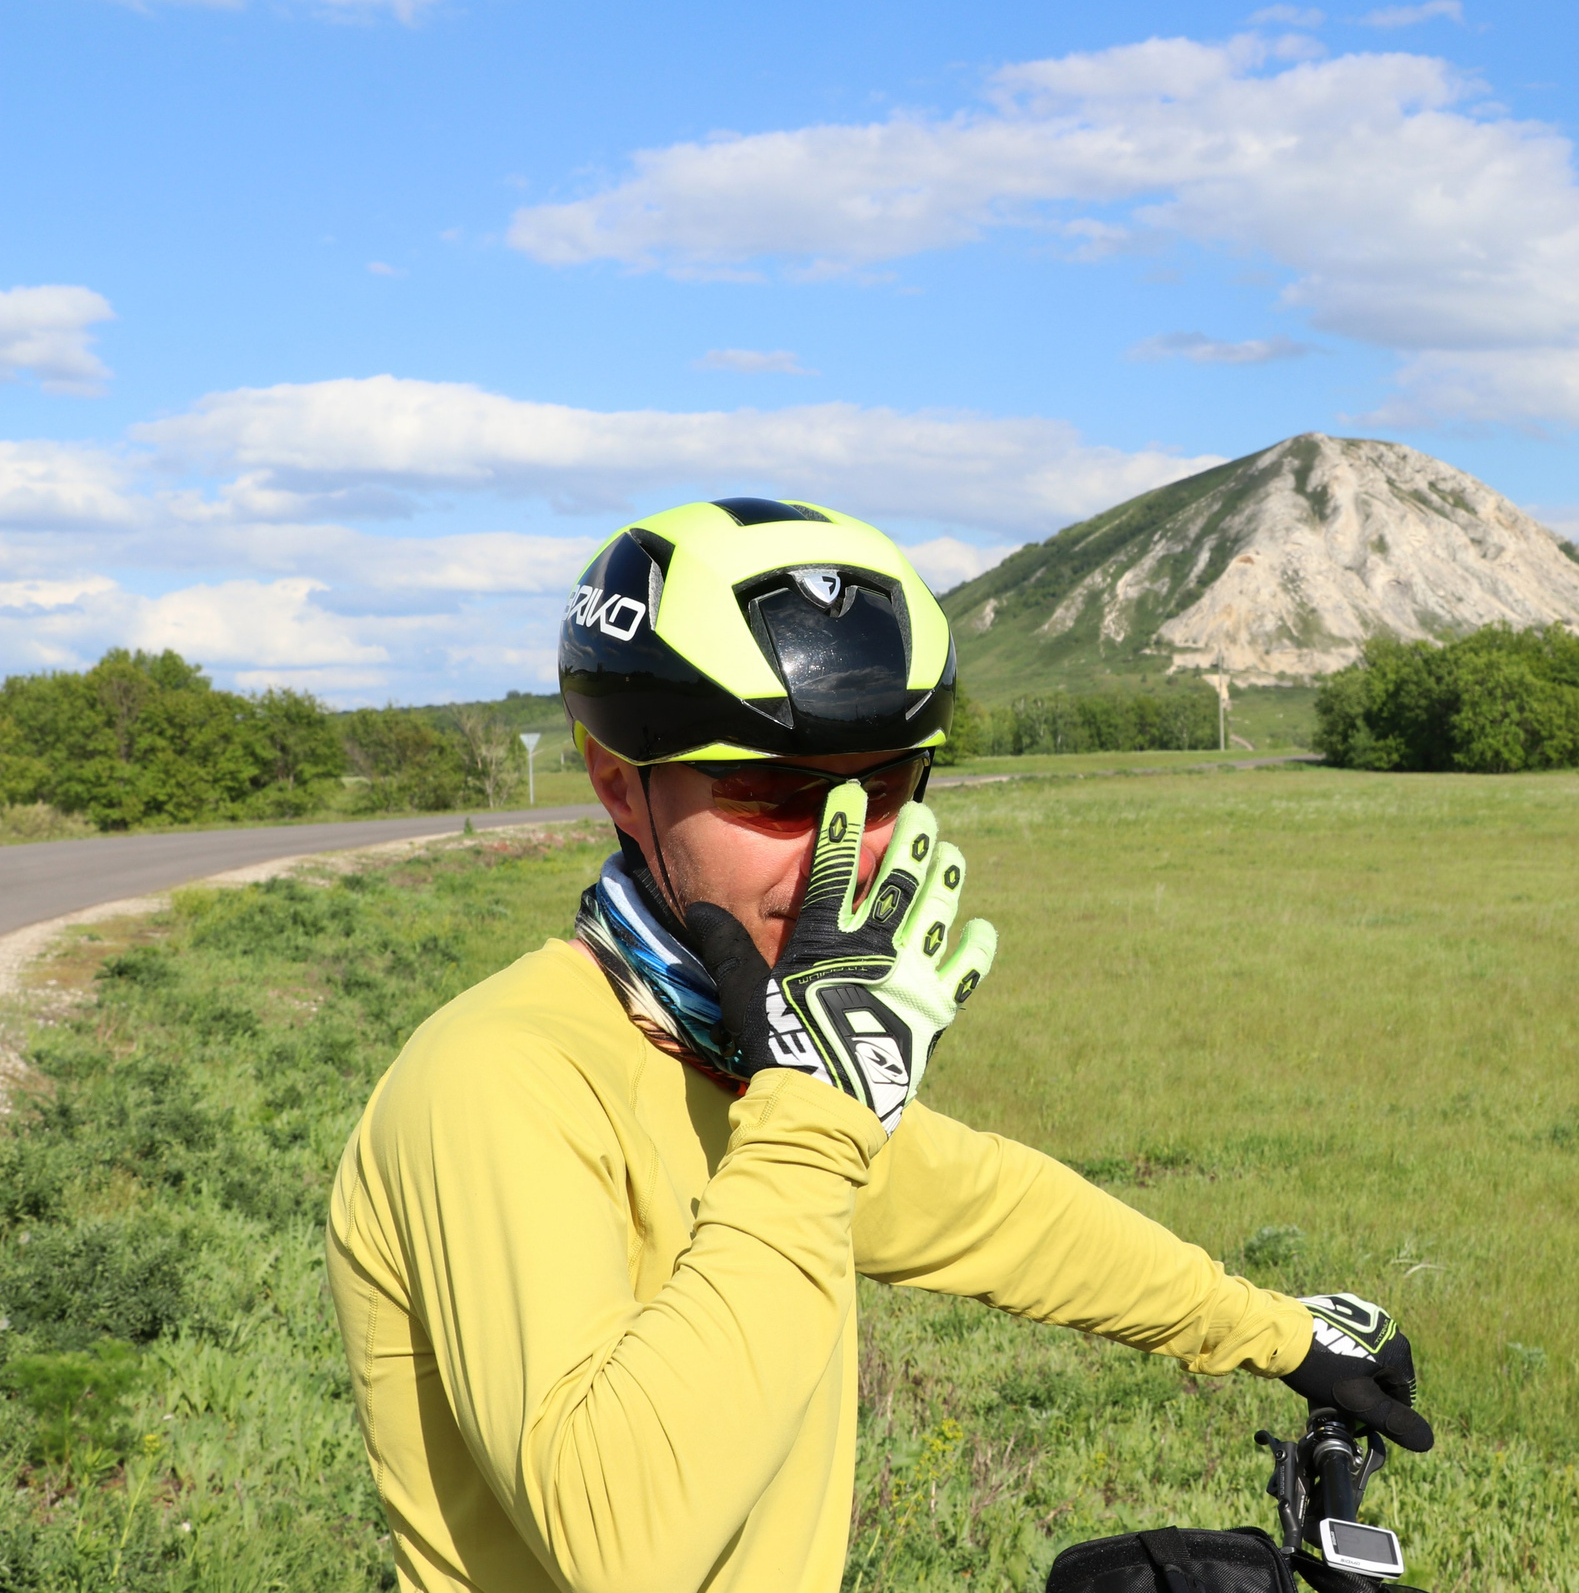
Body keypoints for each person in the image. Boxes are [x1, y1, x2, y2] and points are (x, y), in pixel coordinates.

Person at [325, 497, 1430, 1593]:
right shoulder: (498, 1077)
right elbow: (619, 1540)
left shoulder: (732, 1055)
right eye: (770, 794)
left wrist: (1275, 1332)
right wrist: (816, 1110)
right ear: (618, 779)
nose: (839, 860)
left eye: (885, 788)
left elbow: (985, 1206)